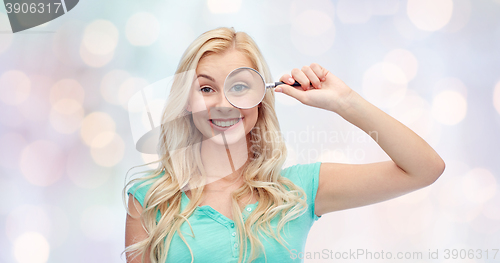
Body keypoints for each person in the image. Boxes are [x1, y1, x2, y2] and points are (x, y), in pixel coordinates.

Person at [123, 27, 445, 263]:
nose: (223, 104)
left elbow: (424, 169)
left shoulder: (297, 190)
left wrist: (345, 102)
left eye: (239, 86)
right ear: (185, 102)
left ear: (261, 99)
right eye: (206, 89)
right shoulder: (150, 198)